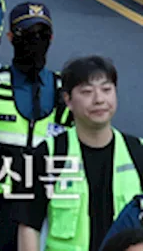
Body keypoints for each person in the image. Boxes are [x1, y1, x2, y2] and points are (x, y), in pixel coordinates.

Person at [0, 2, 70, 251]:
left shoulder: (63, 91)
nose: (36, 40)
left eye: (42, 34)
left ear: (51, 38)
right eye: (27, 34)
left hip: (50, 208)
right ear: (11, 37)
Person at [17, 55, 144, 251]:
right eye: (86, 92)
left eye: (107, 90)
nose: (99, 99)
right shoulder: (47, 154)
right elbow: (29, 226)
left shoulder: (138, 151)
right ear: (67, 100)